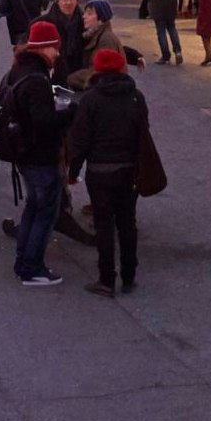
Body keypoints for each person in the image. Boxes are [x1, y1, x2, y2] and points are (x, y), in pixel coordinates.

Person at [69, 47, 149, 298]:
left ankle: (106, 279)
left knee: (104, 225)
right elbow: (143, 134)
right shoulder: (136, 97)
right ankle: (129, 275)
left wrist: (73, 171)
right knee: (127, 222)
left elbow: (80, 140)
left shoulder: (90, 99)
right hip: (129, 169)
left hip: (100, 170)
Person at [1, 21, 72, 286]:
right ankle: (32, 269)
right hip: (38, 155)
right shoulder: (37, 79)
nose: (57, 53)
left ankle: (23, 261)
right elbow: (43, 122)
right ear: (43, 48)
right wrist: (69, 113)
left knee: (33, 207)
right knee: (45, 213)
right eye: (54, 48)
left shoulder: (20, 68)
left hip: (24, 153)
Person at [35, 0, 86, 83]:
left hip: (79, 80)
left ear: (76, 1)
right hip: (52, 79)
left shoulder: (85, 23)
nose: (68, 2)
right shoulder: (43, 23)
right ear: (57, 1)